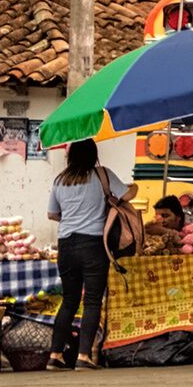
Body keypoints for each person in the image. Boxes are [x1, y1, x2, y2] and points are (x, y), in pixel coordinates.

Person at [43, 137, 126, 370]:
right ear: (93, 154)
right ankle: (83, 356)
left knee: (69, 301)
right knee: (91, 301)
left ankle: (56, 355)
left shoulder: (61, 180)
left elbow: (52, 214)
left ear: (70, 156)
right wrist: (110, 200)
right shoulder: (102, 175)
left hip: (66, 245)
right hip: (92, 245)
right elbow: (127, 195)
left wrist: (71, 218)